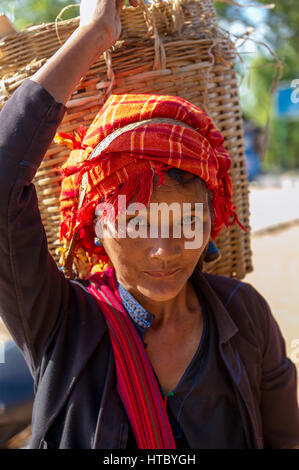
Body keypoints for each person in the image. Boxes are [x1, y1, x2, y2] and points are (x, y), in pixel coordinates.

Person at [0, 0, 298, 450]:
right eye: (134, 221)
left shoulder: (245, 316)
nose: (164, 250)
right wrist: (96, 33)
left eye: (188, 222)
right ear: (95, 224)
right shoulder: (60, 322)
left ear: (212, 221)